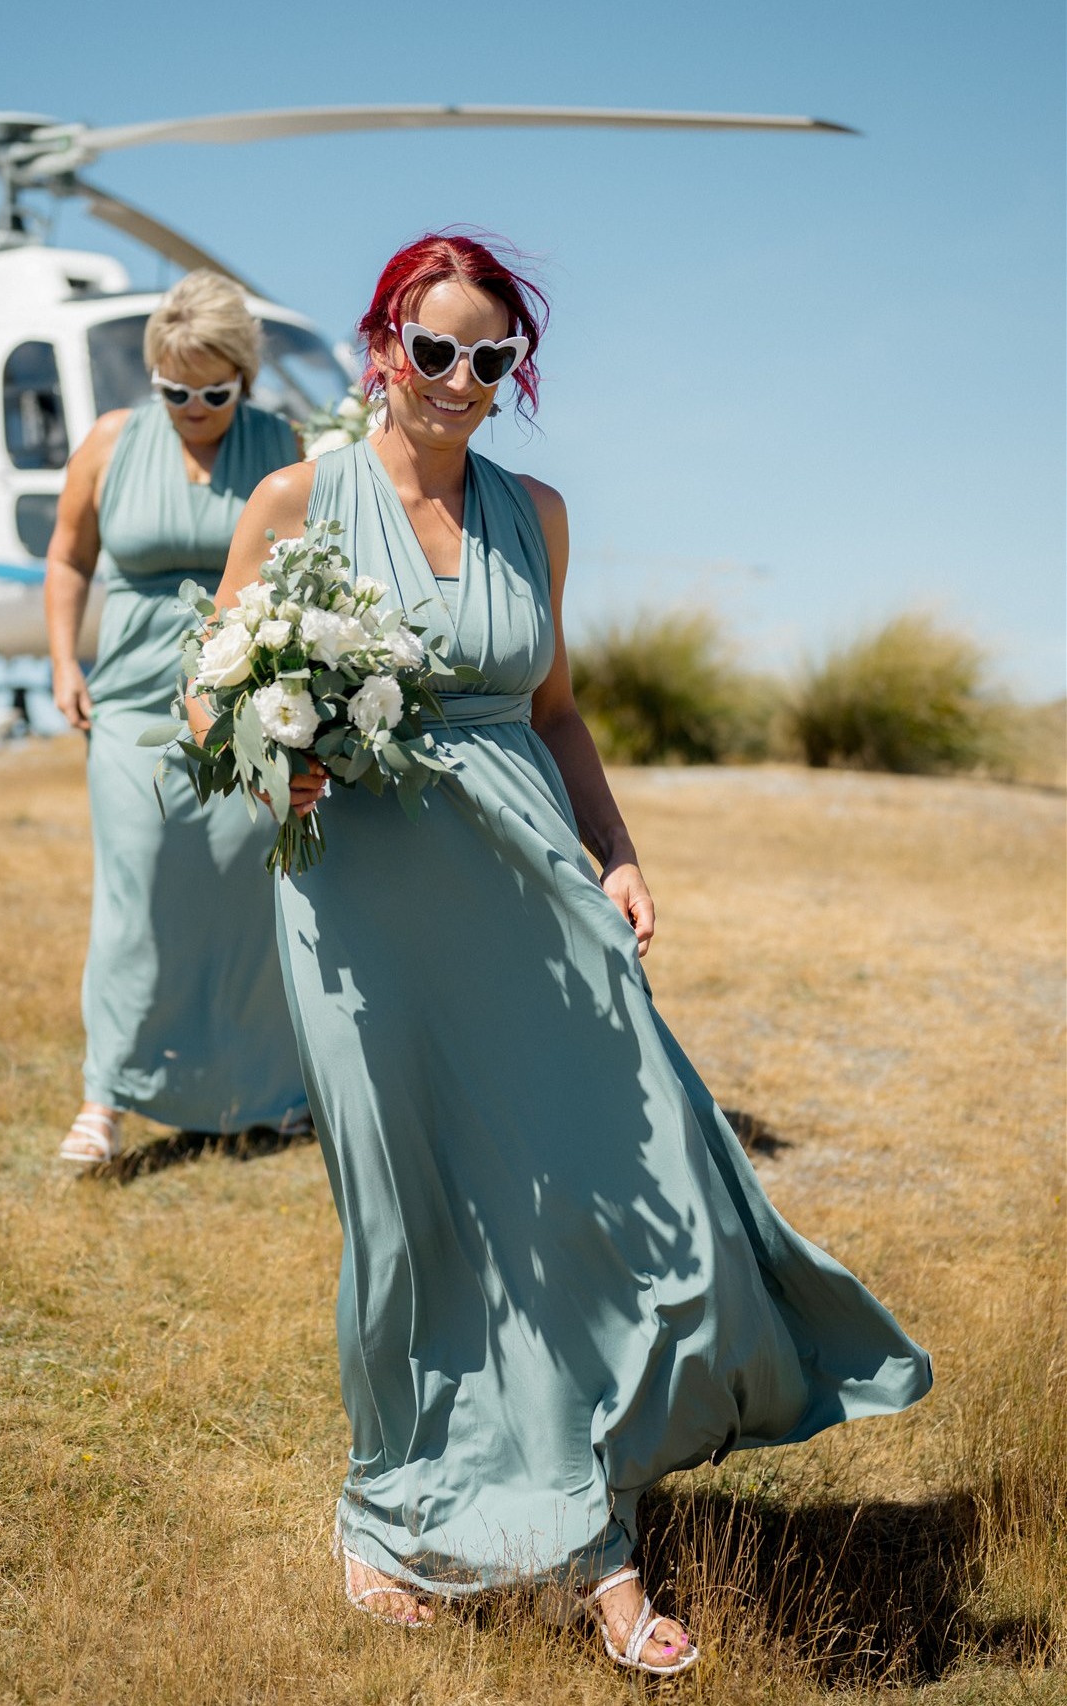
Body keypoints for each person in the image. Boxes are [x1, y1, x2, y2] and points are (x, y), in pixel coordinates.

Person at [197, 233, 932, 1676]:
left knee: (639, 1172)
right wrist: (270, 768)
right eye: (435, 350)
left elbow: (558, 712)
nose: (461, 381)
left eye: (492, 358)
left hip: (534, 889)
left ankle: (590, 1493)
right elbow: (215, 699)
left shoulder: (538, 512)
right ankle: (411, 1517)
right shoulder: (296, 498)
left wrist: (619, 849)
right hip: (364, 913)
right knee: (420, 1217)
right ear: (380, 345)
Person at [46, 270, 308, 1164]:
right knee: (140, 887)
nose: (193, 407)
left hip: (245, 699)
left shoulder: (281, 444)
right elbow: (67, 557)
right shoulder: (112, 444)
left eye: (213, 391)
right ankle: (107, 1097)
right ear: (151, 376)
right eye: (173, 390)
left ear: (243, 376)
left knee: (245, 892)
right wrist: (61, 661)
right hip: (128, 701)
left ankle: (264, 1093)